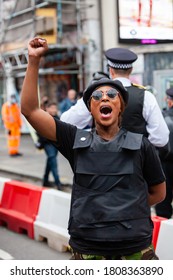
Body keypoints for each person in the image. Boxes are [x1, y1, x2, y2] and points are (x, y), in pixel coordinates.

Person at [21, 37, 166, 260]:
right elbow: (30, 110)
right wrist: (33, 60)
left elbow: (159, 192)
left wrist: (126, 205)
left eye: (111, 95)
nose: (104, 97)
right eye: (97, 96)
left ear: (121, 107)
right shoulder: (74, 140)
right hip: (87, 251)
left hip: (135, 251)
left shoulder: (141, 144)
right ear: (90, 108)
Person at [60, 48, 169, 152]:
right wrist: (141, 150)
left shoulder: (95, 95)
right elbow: (161, 138)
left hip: (101, 159)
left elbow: (66, 122)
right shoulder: (146, 96)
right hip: (136, 163)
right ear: (131, 70)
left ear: (111, 70)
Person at [155, 87, 173, 218]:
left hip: (165, 162)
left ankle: (163, 235)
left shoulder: (163, 116)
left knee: (163, 203)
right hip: (165, 161)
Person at [37, 101, 63, 190]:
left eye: (55, 108)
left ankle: (45, 180)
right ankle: (58, 183)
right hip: (48, 144)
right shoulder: (43, 118)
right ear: (47, 109)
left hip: (55, 144)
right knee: (53, 161)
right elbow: (39, 131)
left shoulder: (58, 118)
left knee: (50, 161)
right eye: (52, 108)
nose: (54, 110)